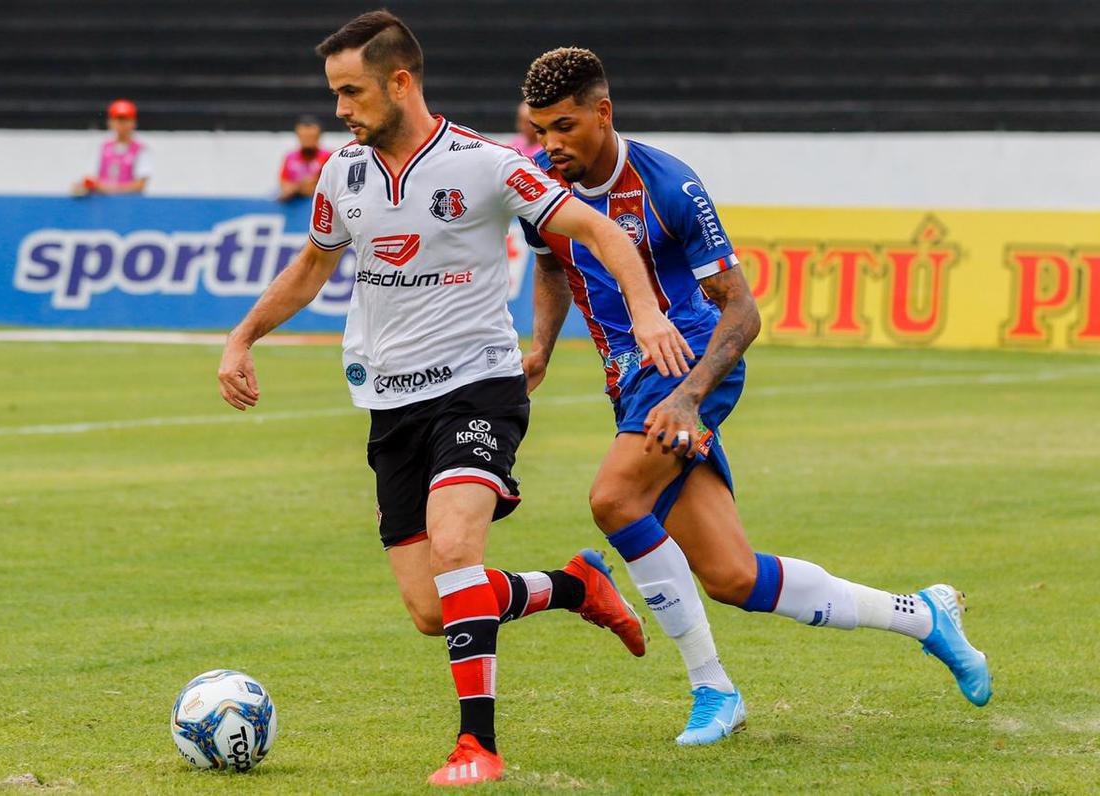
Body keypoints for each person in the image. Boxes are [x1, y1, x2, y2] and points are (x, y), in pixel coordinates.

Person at [217, 12, 697, 786]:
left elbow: (602, 232)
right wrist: (242, 338)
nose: (340, 108)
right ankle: (573, 585)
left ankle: (478, 746)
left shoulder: (485, 165)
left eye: (351, 92)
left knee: (454, 550)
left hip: (478, 388)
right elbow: (311, 265)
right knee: (434, 609)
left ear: (399, 82)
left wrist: (645, 312)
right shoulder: (342, 173)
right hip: (391, 405)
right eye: (335, 93)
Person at [518, 47, 993, 746]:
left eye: (564, 126)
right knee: (732, 577)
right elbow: (551, 266)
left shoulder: (669, 186)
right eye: (540, 130)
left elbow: (742, 312)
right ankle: (925, 616)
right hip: (630, 384)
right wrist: (541, 348)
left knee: (614, 499)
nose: (551, 144)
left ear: (603, 113)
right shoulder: (538, 186)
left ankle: (712, 688)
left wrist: (689, 398)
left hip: (686, 363)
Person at [72, 99, 151, 195]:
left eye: (125, 119)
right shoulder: (102, 146)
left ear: (133, 122)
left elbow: (140, 184)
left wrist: (108, 189)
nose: (121, 124)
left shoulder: (140, 149)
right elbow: (90, 178)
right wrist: (82, 187)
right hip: (102, 202)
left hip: (129, 202)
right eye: (117, 119)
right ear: (110, 122)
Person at [278, 115, 331, 201]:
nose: (307, 140)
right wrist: (300, 187)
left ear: (318, 136)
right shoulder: (290, 157)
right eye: (304, 136)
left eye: (311, 136)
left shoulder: (328, 157)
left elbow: (326, 186)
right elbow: (283, 183)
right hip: (294, 202)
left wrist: (297, 187)